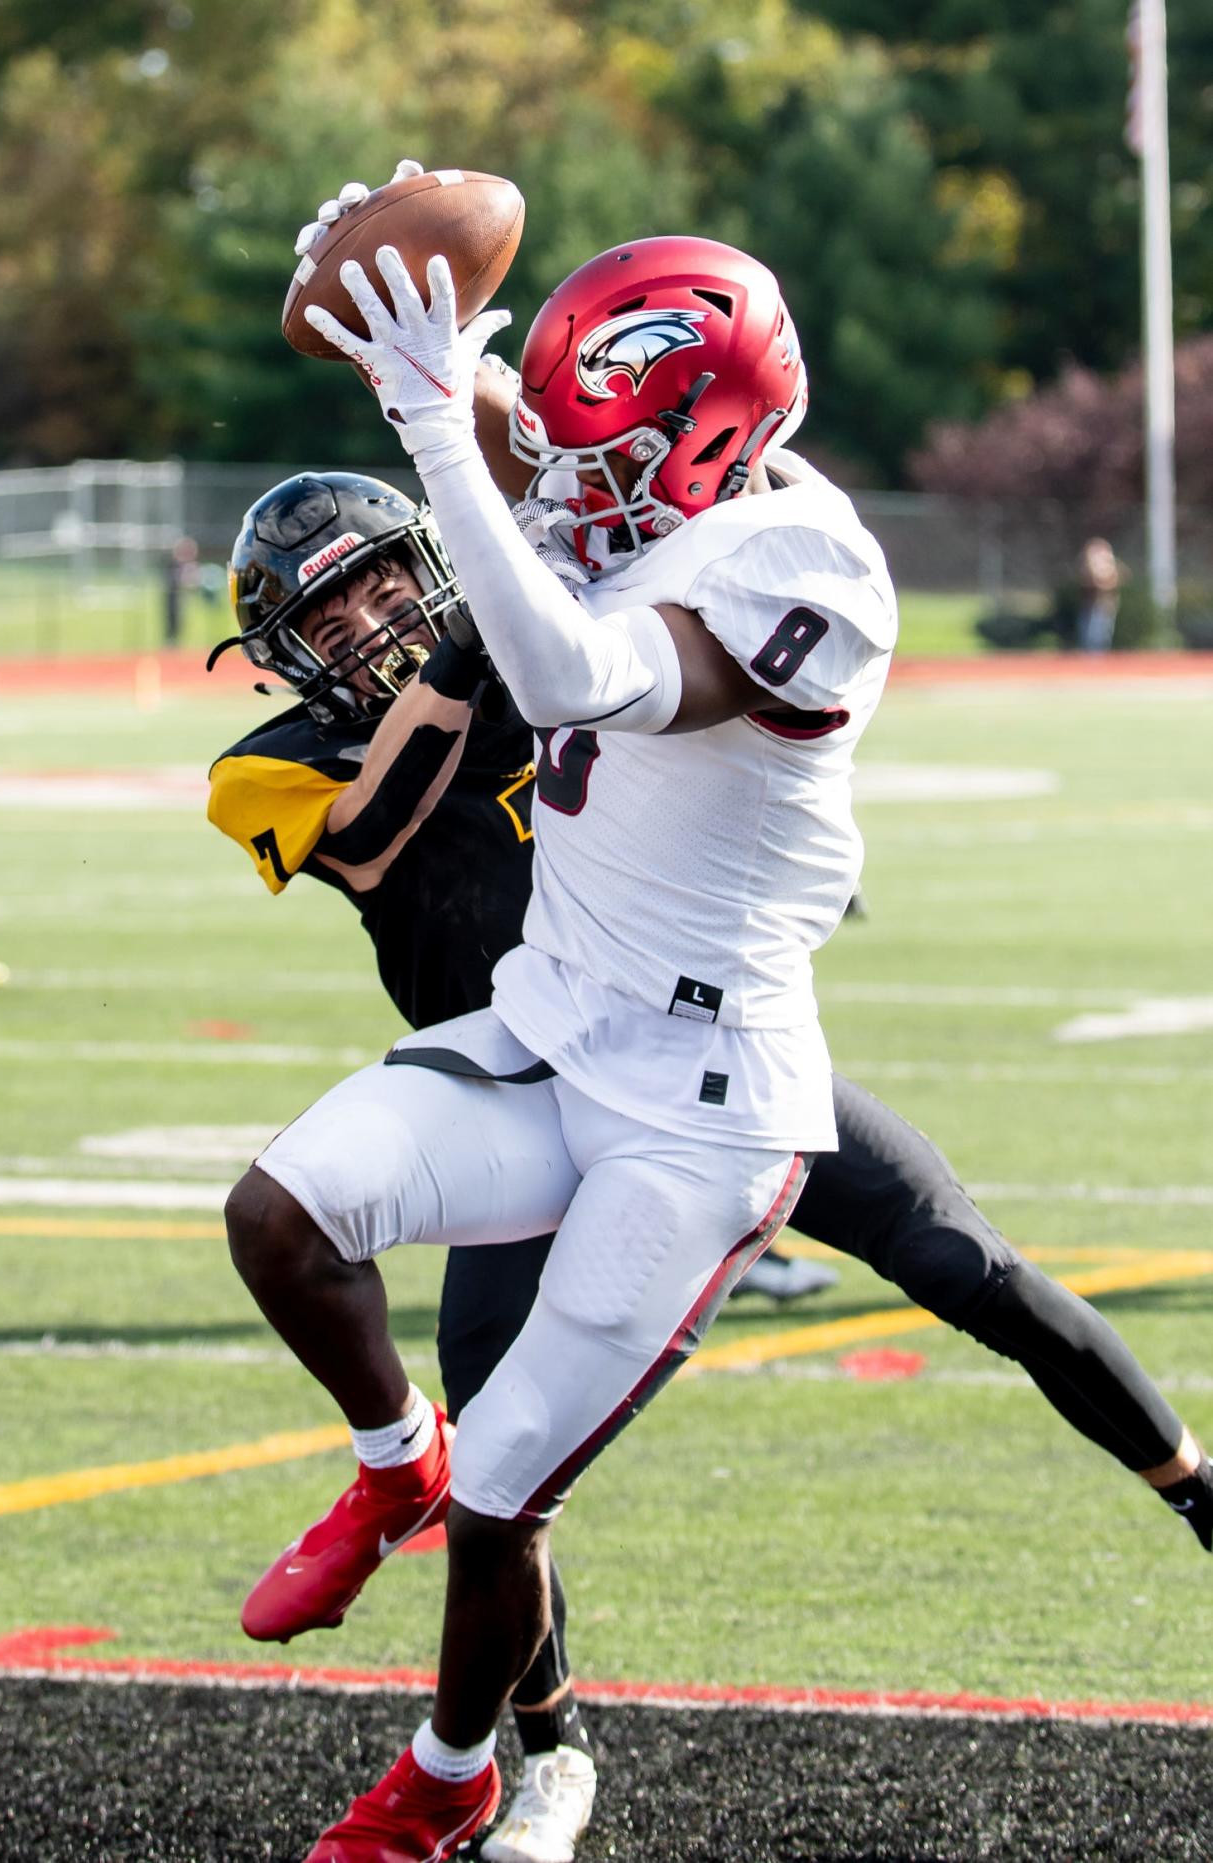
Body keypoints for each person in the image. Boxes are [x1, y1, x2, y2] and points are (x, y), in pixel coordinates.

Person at [216, 223, 1211, 1863]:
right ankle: (533, 1741)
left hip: (706, 1077)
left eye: (395, 583)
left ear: (703, 443)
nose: (565, 491)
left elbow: (571, 655)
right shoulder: (292, 748)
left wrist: (429, 439)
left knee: (955, 1255)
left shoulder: (786, 569)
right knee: (470, 1430)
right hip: (537, 1040)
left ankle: (1188, 1484)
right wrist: (441, 345)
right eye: (339, 613)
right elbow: (394, 797)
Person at [1075, 536, 1123, 654]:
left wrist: (1104, 577)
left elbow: (1113, 583)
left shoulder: (1111, 568)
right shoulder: (1086, 569)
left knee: (1100, 637)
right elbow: (1088, 582)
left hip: (1105, 607)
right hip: (1090, 606)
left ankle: (1098, 660)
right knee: (1090, 636)